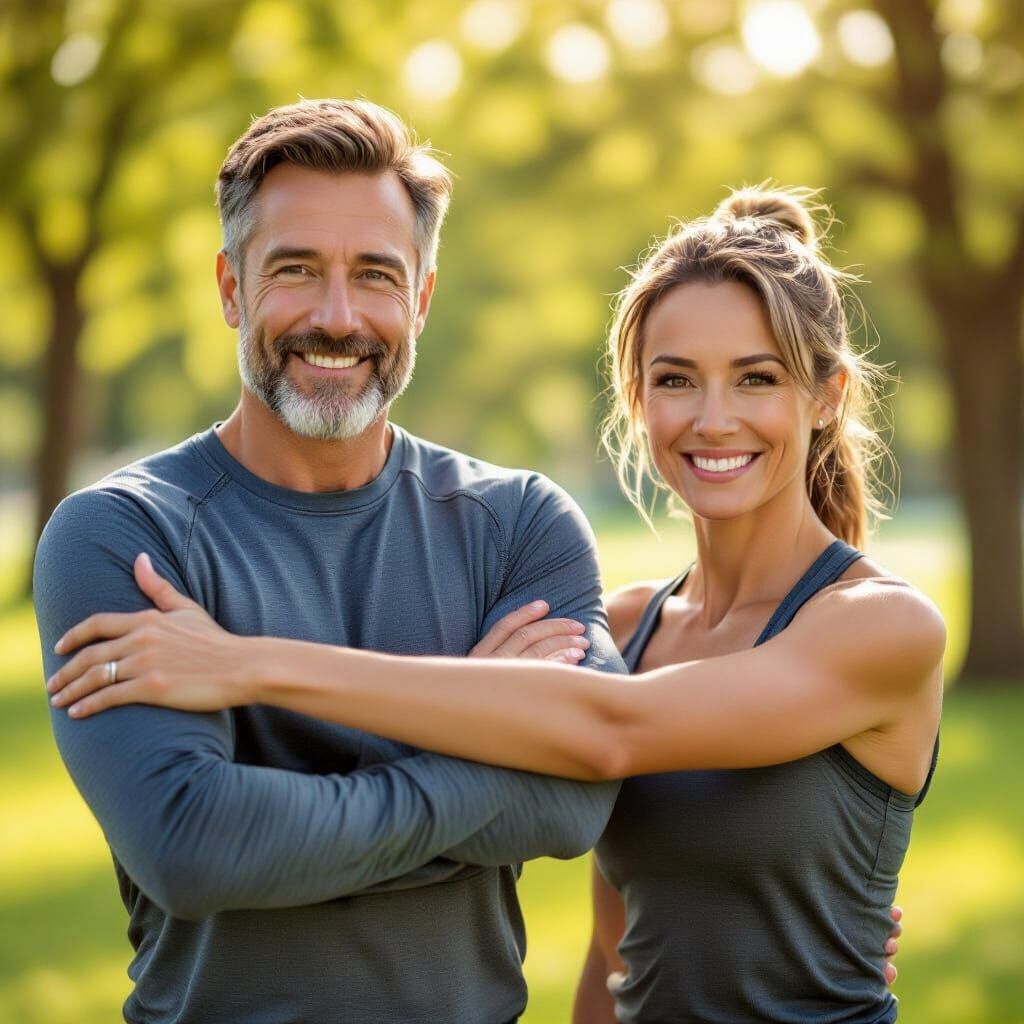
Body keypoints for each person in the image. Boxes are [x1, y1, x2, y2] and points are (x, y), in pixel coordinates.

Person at [47, 186, 934, 1021]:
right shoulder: (630, 627)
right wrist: (485, 718)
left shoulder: (881, 628)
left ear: (826, 396)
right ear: (635, 398)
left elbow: (604, 742)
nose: (712, 418)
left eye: (756, 378)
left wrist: (252, 664)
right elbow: (613, 948)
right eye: (674, 379)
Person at [33, 98, 626, 1024]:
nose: (338, 317)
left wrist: (279, 769)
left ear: (421, 299)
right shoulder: (120, 537)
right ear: (232, 289)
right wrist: (487, 731)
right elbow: (194, 846)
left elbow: (578, 797)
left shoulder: (519, 526)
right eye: (297, 270)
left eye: (376, 275)